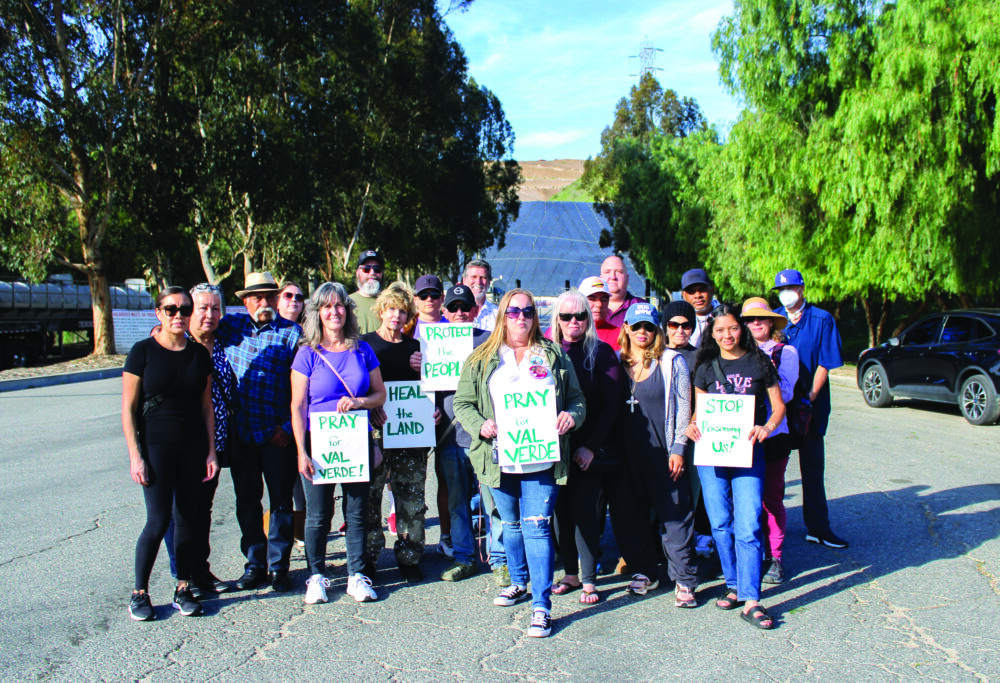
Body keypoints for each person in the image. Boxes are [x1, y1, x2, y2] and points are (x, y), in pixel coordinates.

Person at [454, 289, 586, 638]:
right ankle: (519, 581)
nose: (522, 317)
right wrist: (480, 425)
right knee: (510, 525)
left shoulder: (553, 355)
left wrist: (571, 417)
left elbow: (576, 399)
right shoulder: (481, 358)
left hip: (542, 457)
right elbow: (462, 403)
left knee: (537, 526)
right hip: (499, 459)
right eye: (513, 311)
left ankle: (541, 605)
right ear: (502, 315)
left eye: (528, 311)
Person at [685, 303, 785, 630]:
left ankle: (752, 598)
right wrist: (692, 426)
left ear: (740, 328)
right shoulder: (704, 367)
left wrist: (766, 428)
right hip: (712, 453)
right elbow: (699, 413)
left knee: (748, 523)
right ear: (711, 334)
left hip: (748, 452)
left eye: (732, 328)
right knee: (720, 523)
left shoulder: (759, 362)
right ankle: (733, 584)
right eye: (719, 330)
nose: (727, 335)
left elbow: (778, 406)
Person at [122, 286, 219, 621]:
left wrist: (211, 451)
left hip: (192, 447)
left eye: (184, 309)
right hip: (156, 446)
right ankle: (139, 593)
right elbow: (128, 409)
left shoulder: (199, 355)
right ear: (158, 312)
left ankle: (183, 586)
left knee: (188, 519)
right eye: (171, 309)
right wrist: (136, 455)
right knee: (158, 519)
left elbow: (207, 408)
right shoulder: (142, 352)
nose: (178, 315)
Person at [291, 282, 386, 604]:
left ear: (347, 310)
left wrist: (359, 403)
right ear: (317, 313)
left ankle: (356, 575)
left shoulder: (362, 349)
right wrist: (301, 451)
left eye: (340, 305)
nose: (334, 312)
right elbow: (297, 405)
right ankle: (316, 576)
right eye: (327, 307)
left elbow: (379, 395)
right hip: (318, 444)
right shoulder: (306, 353)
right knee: (318, 514)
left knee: (357, 511)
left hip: (355, 440)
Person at [606, 302, 698, 606]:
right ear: (626, 329)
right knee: (628, 515)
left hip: (663, 453)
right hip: (626, 455)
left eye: (648, 326)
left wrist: (678, 449)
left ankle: (684, 578)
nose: (642, 332)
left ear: (657, 330)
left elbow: (684, 406)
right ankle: (644, 569)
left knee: (675, 514)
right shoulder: (616, 363)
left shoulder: (672, 361)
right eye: (636, 326)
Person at [215, 272, 301, 593]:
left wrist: (289, 428)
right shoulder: (229, 328)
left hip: (277, 434)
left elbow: (303, 387)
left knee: (280, 501)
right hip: (242, 435)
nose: (263, 302)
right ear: (245, 301)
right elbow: (201, 338)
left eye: (269, 296)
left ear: (277, 299)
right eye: (256, 297)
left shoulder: (292, 334)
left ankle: (279, 566)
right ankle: (255, 564)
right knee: (247, 500)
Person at [549, 290, 621, 605]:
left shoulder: (601, 352)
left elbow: (612, 405)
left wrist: (591, 447)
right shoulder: (546, 353)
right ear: (557, 319)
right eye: (566, 316)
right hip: (552, 448)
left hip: (588, 449)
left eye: (580, 315)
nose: (574, 321)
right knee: (560, 513)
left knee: (584, 512)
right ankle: (570, 573)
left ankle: (589, 579)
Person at [772, 268, 848, 549]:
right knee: (774, 470)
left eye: (791, 288)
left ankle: (818, 527)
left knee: (813, 469)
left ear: (802, 289)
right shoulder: (774, 318)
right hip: (779, 407)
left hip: (810, 407)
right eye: (781, 289)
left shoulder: (821, 319)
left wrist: (810, 397)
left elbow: (825, 363)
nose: (786, 293)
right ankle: (772, 531)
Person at [361, 282, 427, 583]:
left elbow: (429, 390)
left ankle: (410, 555)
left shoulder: (418, 348)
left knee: (411, 495)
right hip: (375, 432)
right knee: (371, 496)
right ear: (380, 311)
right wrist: (367, 407)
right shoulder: (364, 345)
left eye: (402, 311)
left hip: (410, 434)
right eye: (391, 310)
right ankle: (370, 556)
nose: (396, 316)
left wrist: (422, 371)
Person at [435, 284, 496, 582]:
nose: (460, 313)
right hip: (450, 437)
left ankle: (501, 561)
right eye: (454, 307)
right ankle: (464, 558)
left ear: (475, 311)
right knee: (457, 502)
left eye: (465, 307)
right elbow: (421, 391)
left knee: (493, 503)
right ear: (444, 312)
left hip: (485, 436)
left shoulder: (490, 343)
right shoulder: (432, 345)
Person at [742, 297, 798, 585]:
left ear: (771, 322)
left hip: (774, 434)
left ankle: (775, 555)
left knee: (771, 498)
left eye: (760, 318)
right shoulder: (734, 353)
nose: (755, 324)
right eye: (749, 320)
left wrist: (760, 365)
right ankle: (752, 552)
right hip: (739, 434)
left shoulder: (784, 352)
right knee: (745, 499)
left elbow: (785, 394)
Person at [662, 299, 713, 559]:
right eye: (674, 324)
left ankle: (686, 547)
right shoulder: (656, 355)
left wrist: (693, 420)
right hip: (661, 435)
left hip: (693, 437)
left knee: (689, 494)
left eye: (686, 325)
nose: (680, 330)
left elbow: (706, 395)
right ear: (665, 326)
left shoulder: (701, 357)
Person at [277, 281, 308, 548]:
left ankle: (300, 532)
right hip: (272, 422)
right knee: (280, 491)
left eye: (299, 297)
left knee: (301, 487)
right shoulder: (263, 332)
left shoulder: (306, 335)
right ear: (278, 300)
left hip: (298, 421)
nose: (293, 300)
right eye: (288, 295)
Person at [601, 255, 646, 328]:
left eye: (619, 272)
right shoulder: (590, 309)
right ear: (601, 278)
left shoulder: (642, 307)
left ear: (627, 278)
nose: (613, 277)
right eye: (607, 272)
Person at [577, 276, 621, 350]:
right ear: (579, 301)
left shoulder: (619, 336)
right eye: (592, 299)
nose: (599, 304)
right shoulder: (566, 332)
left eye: (603, 300)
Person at [349, 250, 386, 334]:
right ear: (357, 273)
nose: (372, 273)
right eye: (366, 269)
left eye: (377, 269)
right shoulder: (346, 303)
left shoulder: (390, 302)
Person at [680, 269, 719, 347]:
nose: (697, 295)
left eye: (702, 290)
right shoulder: (678, 321)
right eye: (691, 291)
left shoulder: (726, 316)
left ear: (711, 291)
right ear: (684, 295)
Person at [463, 259, 499, 331]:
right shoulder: (454, 314)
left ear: (489, 282)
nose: (478, 282)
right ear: (464, 280)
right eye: (474, 277)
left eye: (483, 277)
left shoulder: (498, 315)